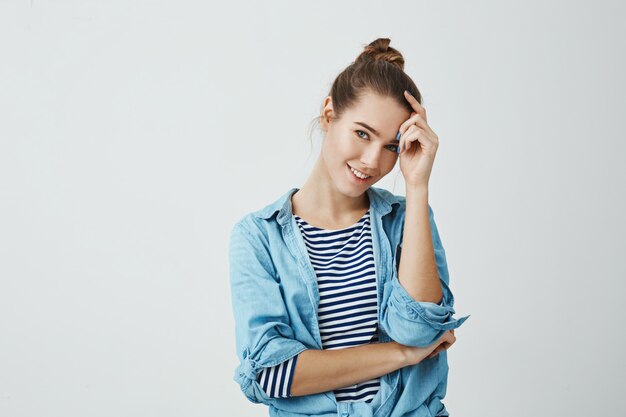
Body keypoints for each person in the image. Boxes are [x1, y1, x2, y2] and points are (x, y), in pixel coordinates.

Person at [228, 37, 471, 417]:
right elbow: (272, 374)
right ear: (329, 114)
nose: (373, 161)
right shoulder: (259, 237)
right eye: (362, 133)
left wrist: (417, 184)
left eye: (391, 146)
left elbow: (420, 331)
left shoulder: (405, 220)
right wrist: (402, 354)